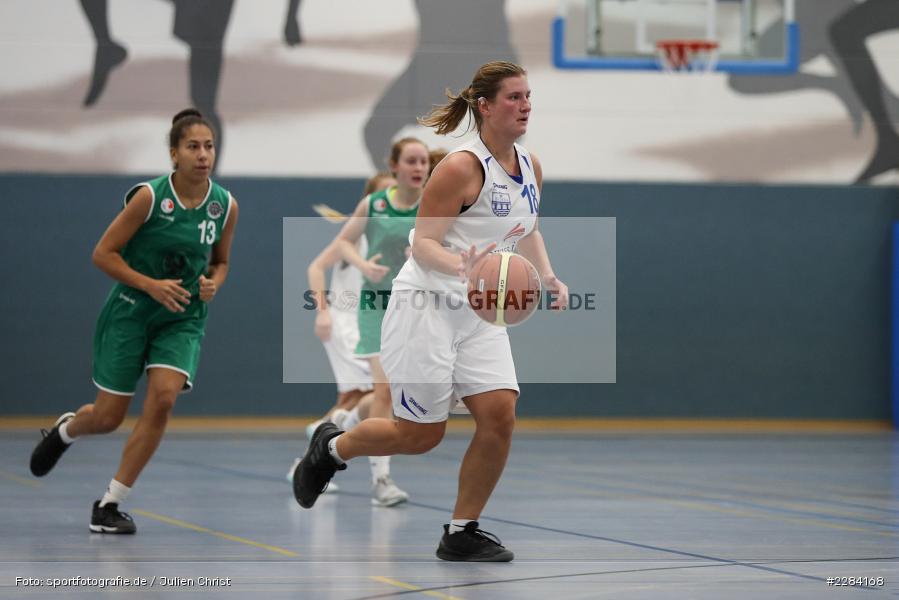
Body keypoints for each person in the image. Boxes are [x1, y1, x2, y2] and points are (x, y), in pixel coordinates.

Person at [294, 61, 568, 561]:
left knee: (500, 414)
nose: (525, 105)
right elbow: (423, 245)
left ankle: (462, 530)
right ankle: (331, 449)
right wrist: (463, 267)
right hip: (428, 307)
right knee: (419, 436)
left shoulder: (531, 166)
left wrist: (546, 275)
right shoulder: (462, 167)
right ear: (484, 107)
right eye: (513, 97)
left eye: (528, 96)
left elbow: (528, 230)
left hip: (481, 315)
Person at [29, 108, 239, 534]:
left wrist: (214, 283)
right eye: (193, 146)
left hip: (182, 317)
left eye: (209, 146)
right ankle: (68, 429)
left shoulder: (225, 205)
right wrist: (151, 285)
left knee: (163, 399)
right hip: (131, 310)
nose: (203, 155)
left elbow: (221, 262)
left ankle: (110, 503)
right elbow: (102, 254)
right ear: (174, 154)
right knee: (107, 418)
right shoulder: (149, 197)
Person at [297, 138, 430, 507]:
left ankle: (335, 425)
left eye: (424, 161)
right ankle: (381, 480)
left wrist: (425, 252)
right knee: (383, 393)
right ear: (394, 167)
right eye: (411, 161)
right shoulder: (374, 208)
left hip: (413, 309)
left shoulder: (432, 207)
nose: (419, 168)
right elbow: (337, 248)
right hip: (369, 310)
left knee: (383, 397)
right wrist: (359, 269)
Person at [285, 171, 396, 498]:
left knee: (357, 399)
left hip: (374, 324)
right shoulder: (357, 235)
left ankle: (316, 441)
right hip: (348, 324)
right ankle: (381, 480)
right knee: (382, 395)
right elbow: (316, 267)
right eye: (384, 195)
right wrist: (322, 311)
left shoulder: (397, 236)